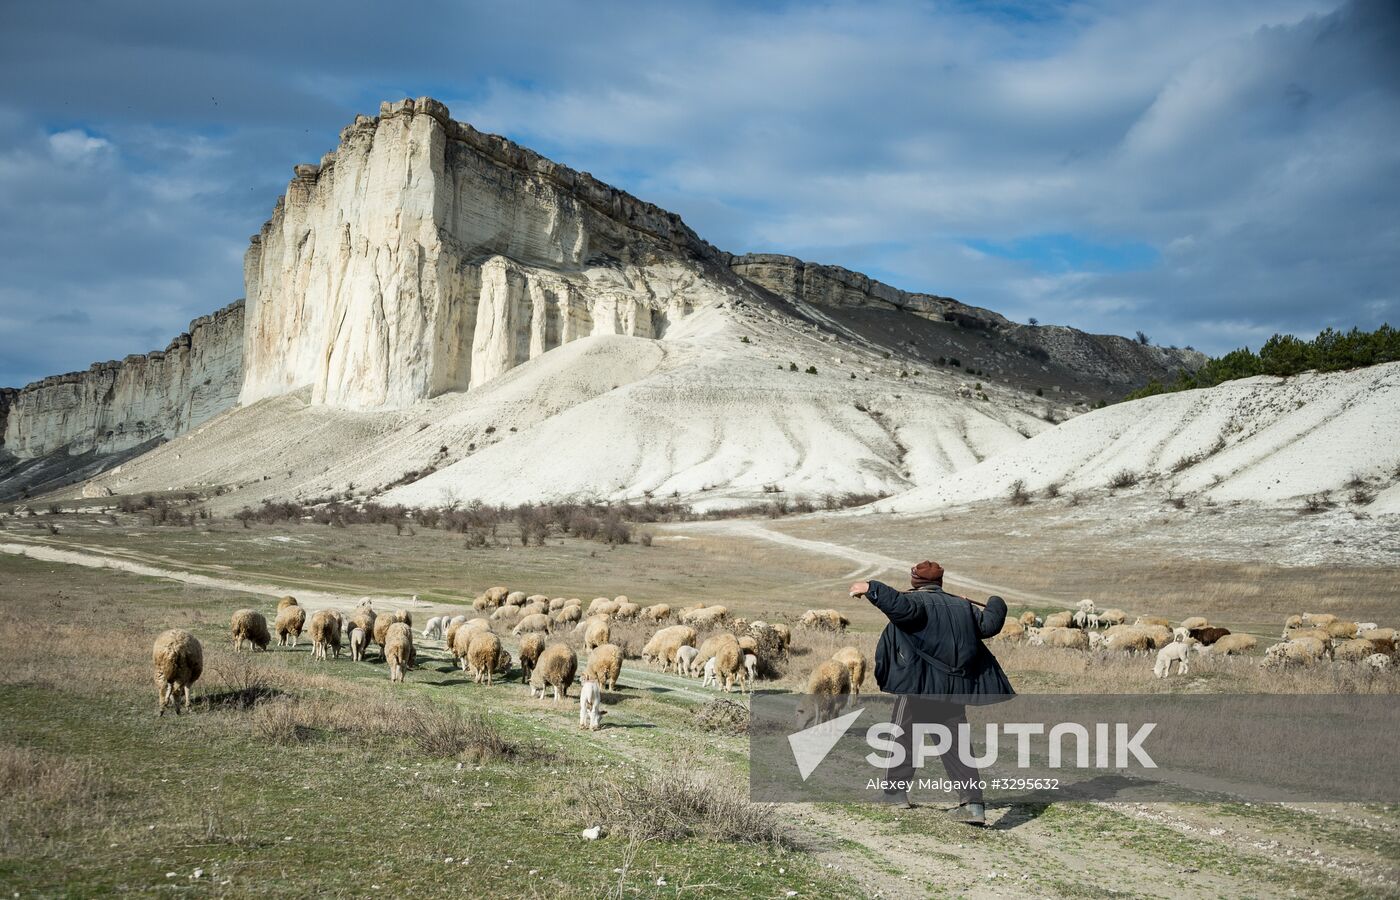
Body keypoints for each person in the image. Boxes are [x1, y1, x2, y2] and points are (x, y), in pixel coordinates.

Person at [850, 560, 1014, 825]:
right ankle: (973, 805)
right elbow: (991, 623)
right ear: (940, 582)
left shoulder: (915, 603)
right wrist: (996, 600)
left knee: (903, 735)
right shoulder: (963, 607)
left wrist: (870, 587)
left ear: (915, 581)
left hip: (918, 685)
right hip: (951, 687)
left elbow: (897, 605)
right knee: (957, 744)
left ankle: (895, 794)